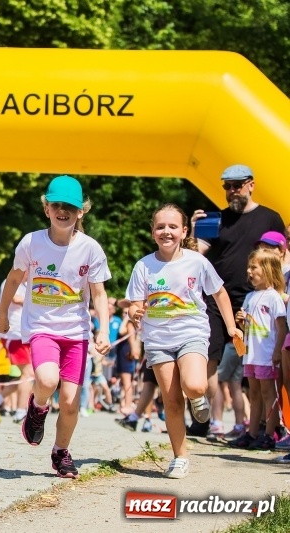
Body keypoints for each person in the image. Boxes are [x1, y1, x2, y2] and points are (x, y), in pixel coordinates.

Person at [0, 175, 111, 479]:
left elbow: (99, 294)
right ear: (47, 208)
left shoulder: (90, 249)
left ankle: (61, 453)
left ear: (81, 211)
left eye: (70, 207)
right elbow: (14, 279)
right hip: (42, 327)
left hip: (76, 333)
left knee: (71, 403)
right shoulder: (31, 242)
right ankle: (38, 406)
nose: (63, 211)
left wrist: (102, 330)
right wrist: (2, 312)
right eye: (56, 205)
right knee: (46, 380)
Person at [127, 204, 241, 478]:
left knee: (194, 384)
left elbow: (220, 293)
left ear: (184, 231)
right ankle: (180, 457)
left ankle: (197, 396)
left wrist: (231, 327)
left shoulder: (197, 261)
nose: (166, 231)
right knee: (172, 401)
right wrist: (134, 312)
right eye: (160, 227)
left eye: (172, 226)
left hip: (192, 334)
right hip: (158, 340)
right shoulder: (144, 265)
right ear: (153, 232)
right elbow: (133, 302)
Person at [189, 164, 285, 437]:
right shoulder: (215, 218)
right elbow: (199, 254)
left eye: (237, 185)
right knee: (208, 356)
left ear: (251, 184)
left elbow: (282, 253)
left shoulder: (270, 217)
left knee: (258, 366)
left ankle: (267, 427)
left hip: (257, 300)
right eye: (227, 186)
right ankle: (202, 418)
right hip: (217, 299)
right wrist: (195, 231)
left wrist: (280, 291)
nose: (232, 191)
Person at [230, 250, 287, 450]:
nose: (249, 271)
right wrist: (242, 323)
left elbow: (282, 327)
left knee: (268, 393)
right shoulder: (250, 297)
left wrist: (278, 351)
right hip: (251, 355)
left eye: (254, 267)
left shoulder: (274, 298)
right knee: (253, 393)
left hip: (266, 354)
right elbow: (250, 328)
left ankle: (270, 433)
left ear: (268, 270)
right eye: (249, 267)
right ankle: (252, 433)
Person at [0, 280, 34, 424]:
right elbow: (15, 298)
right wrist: (41, 300)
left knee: (29, 375)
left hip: (23, 334)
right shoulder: (12, 280)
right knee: (29, 374)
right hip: (15, 334)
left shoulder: (26, 283)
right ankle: (20, 412)